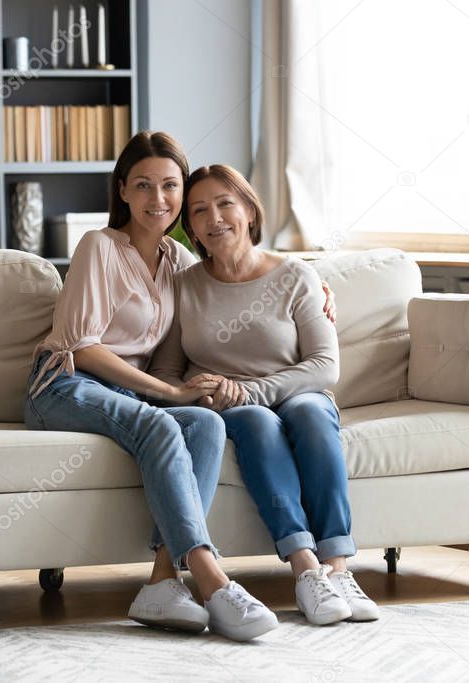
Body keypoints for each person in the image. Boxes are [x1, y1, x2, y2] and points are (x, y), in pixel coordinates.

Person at [24, 132, 278, 641]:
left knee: (205, 424)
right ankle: (211, 578)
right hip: (64, 384)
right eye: (143, 186)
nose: (157, 199)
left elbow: (247, 272)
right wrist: (167, 393)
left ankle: (162, 582)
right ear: (122, 191)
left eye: (170, 186)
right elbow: (83, 347)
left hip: (128, 395)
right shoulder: (98, 246)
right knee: (162, 423)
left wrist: (315, 284)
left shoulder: (180, 263)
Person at [149, 164, 379, 626]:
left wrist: (251, 390)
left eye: (224, 204)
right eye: (198, 210)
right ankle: (305, 569)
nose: (214, 218)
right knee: (257, 421)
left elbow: (324, 365)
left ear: (249, 210)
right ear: (189, 226)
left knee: (312, 415)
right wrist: (193, 394)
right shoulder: (184, 286)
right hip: (233, 410)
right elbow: (170, 370)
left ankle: (338, 568)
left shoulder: (296, 276)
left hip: (297, 391)